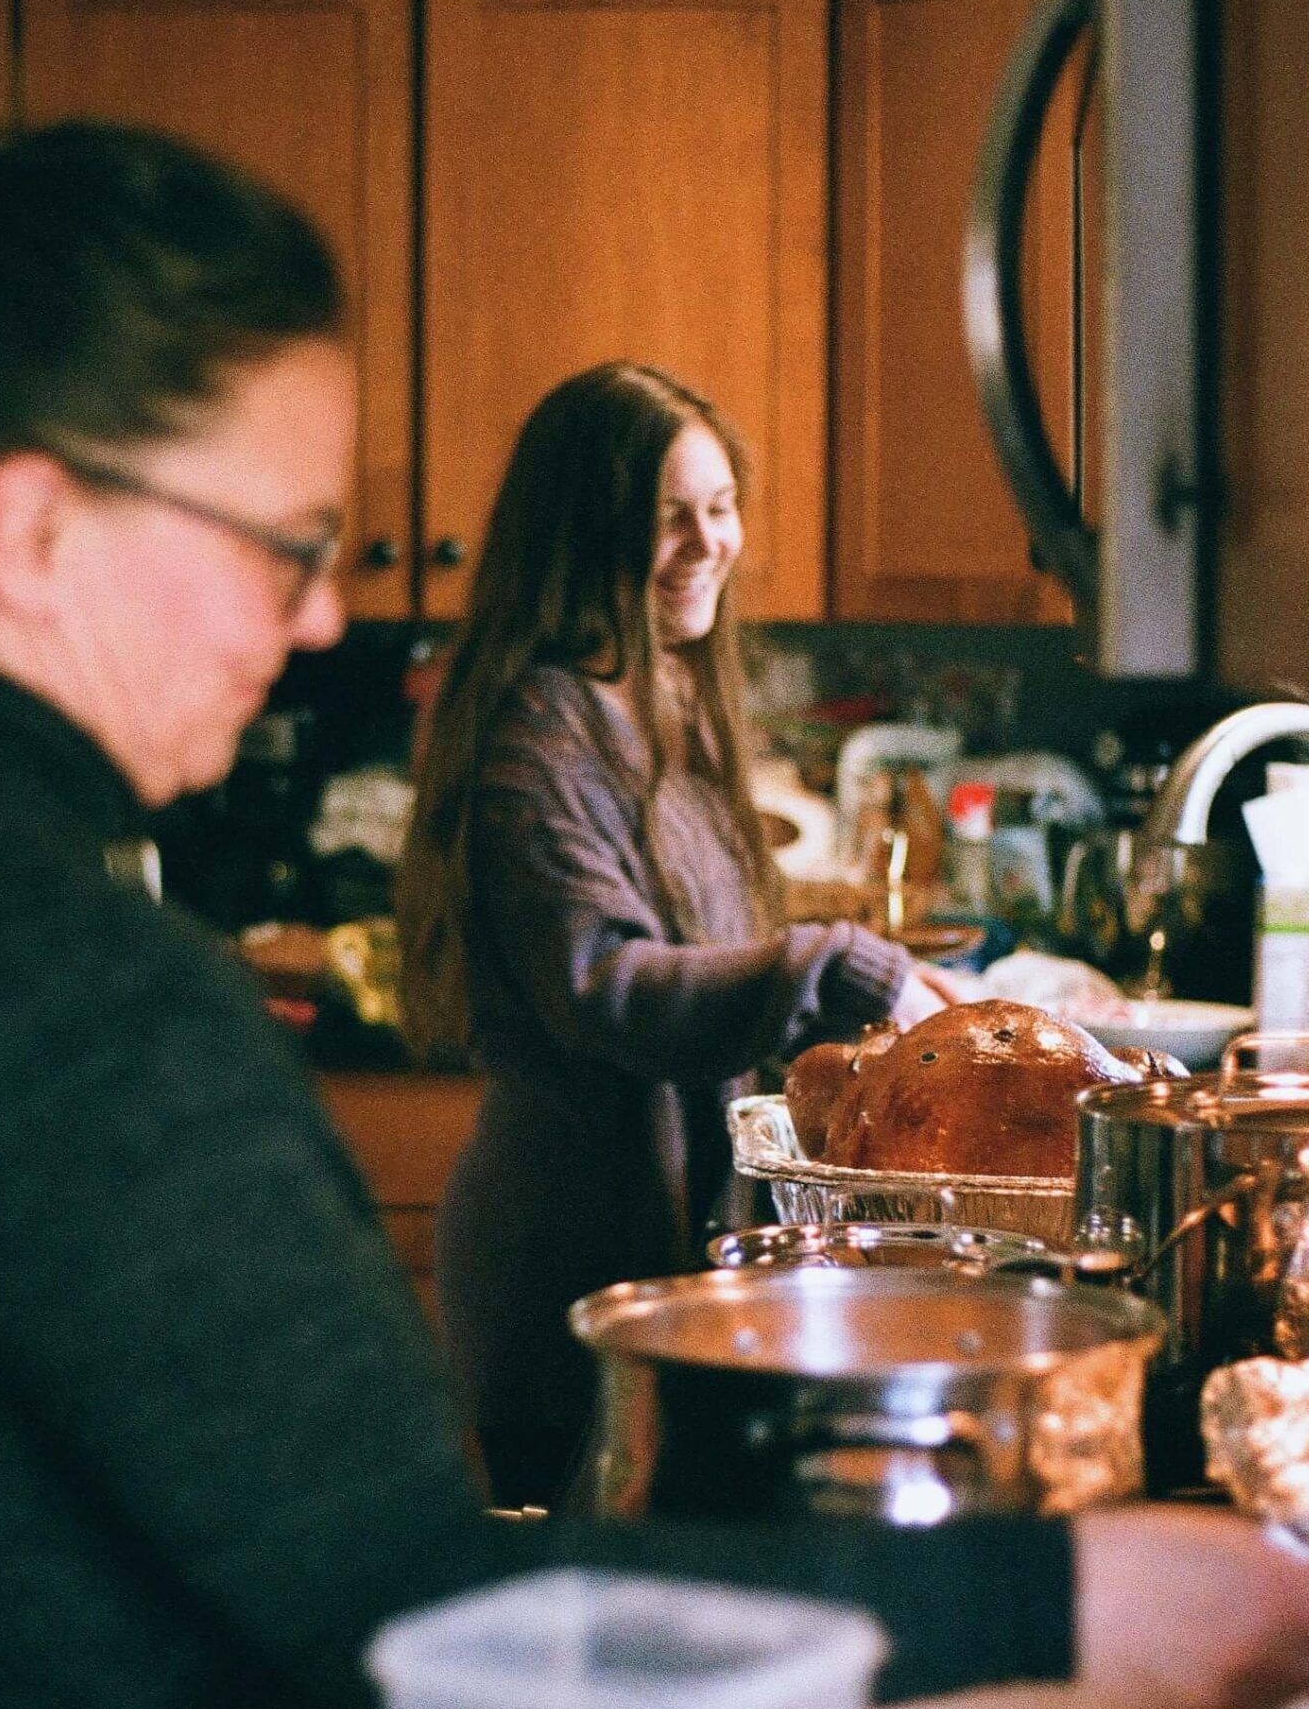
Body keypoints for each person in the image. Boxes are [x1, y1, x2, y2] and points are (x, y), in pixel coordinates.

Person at [0, 42, 1309, 1709]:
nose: (327, 611)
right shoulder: (69, 997)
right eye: (286, 543)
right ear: (34, 528)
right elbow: (420, 1615)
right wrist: (1087, 1601)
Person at [398, 363, 944, 1505]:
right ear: (581, 535)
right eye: (666, 517)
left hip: (657, 1259)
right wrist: (835, 961)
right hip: (566, 1280)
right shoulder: (541, 726)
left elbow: (708, 933)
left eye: (719, 506)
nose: (707, 542)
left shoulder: (662, 700)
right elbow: (608, 984)